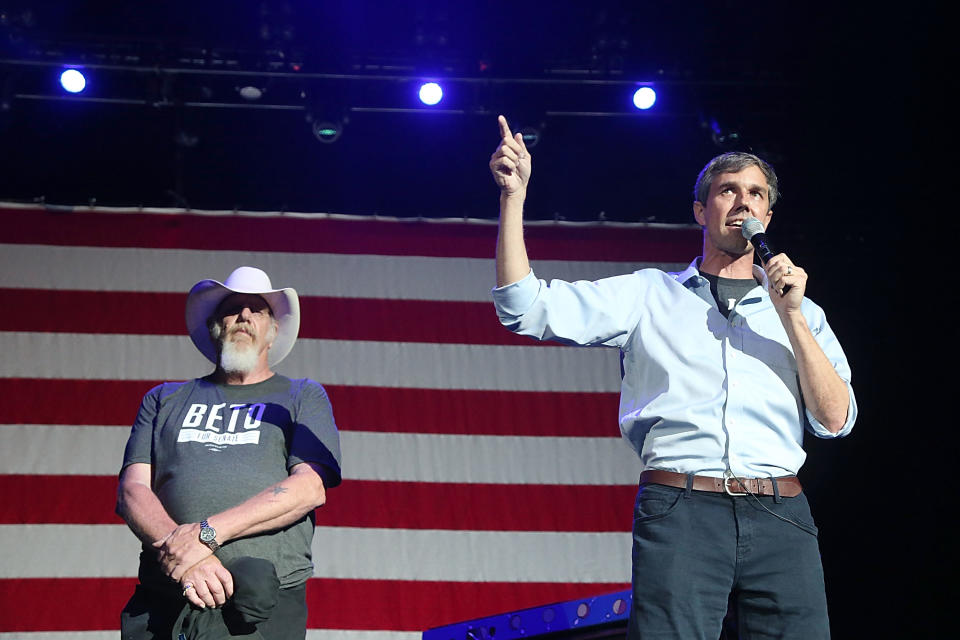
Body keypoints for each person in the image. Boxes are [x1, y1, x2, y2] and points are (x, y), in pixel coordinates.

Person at [488, 116, 856, 639]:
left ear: (767, 216)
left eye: (755, 194)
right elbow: (525, 308)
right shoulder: (650, 294)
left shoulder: (803, 311)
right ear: (702, 211)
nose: (743, 202)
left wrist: (791, 314)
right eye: (728, 191)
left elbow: (836, 419)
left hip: (781, 511)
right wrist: (513, 199)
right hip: (683, 506)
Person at [116, 266, 342, 639]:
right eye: (233, 307)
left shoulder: (302, 396)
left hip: (259, 603)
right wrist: (187, 560)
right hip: (167, 597)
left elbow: (309, 489)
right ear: (213, 326)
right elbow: (132, 491)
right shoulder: (163, 399)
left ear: (273, 332)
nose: (244, 316)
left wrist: (204, 537)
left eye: (258, 310)